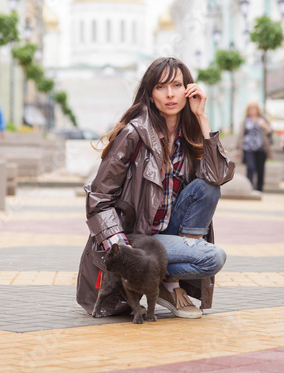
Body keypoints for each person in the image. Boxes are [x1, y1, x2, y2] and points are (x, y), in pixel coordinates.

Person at [77, 57, 235, 320]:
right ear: (150, 95)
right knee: (213, 258)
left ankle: (164, 283)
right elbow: (98, 198)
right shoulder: (133, 134)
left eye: (176, 85)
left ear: (188, 90)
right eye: (161, 87)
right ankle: (163, 282)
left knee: (208, 188)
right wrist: (125, 252)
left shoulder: (190, 134)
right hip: (138, 240)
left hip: (169, 232)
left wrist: (202, 117)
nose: (170, 94)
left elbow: (217, 176)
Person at [238, 102, 272, 192]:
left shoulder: (262, 119)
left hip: (261, 147)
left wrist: (264, 125)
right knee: (250, 167)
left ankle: (259, 188)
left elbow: (270, 131)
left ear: (258, 110)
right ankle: (249, 188)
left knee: (260, 169)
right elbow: (241, 135)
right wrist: (238, 149)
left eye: (254, 109)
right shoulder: (245, 120)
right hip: (248, 148)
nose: (252, 111)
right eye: (250, 109)